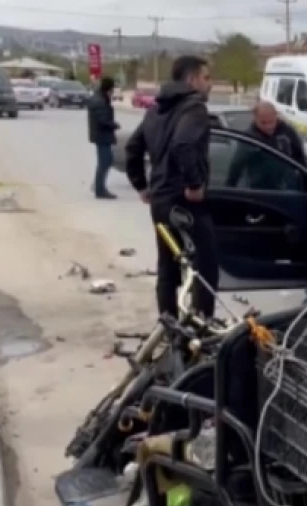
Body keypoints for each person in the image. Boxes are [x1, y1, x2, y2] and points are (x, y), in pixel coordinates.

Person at [125, 55, 219, 320]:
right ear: (191, 79)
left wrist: (142, 187)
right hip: (185, 201)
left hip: (161, 202)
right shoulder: (194, 108)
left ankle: (170, 326)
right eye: (206, 77)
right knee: (205, 265)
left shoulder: (155, 109)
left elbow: (133, 148)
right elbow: (183, 145)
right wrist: (194, 183)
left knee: (168, 267)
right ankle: (201, 326)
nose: (209, 84)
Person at [226, 101, 307, 189]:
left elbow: (300, 157)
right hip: (262, 190)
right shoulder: (250, 138)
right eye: (263, 123)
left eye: (271, 122)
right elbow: (237, 165)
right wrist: (229, 188)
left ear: (276, 116)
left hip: (288, 186)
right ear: (255, 118)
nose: (268, 127)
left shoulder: (287, 131)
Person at [87, 76, 120, 199]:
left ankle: (99, 186)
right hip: (102, 136)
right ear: (109, 88)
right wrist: (114, 125)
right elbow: (102, 120)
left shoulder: (100, 98)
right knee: (105, 162)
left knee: (106, 161)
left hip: (100, 135)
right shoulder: (100, 101)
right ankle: (99, 189)